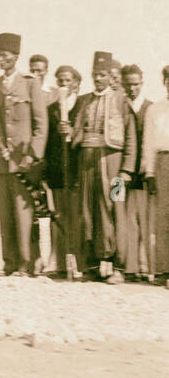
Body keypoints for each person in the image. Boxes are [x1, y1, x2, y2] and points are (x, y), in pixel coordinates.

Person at [0, 32, 48, 276]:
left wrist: (33, 154)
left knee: (24, 212)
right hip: (1, 158)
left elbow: (41, 123)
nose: (2, 60)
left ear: (16, 57)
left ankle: (26, 263)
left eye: (6, 56)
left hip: (23, 159)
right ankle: (9, 262)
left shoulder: (30, 84)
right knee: (5, 212)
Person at [69, 54, 135, 283]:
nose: (98, 79)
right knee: (88, 211)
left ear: (110, 76)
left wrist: (126, 169)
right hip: (87, 164)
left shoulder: (120, 100)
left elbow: (131, 137)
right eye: (95, 75)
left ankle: (119, 267)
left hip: (114, 166)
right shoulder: (85, 100)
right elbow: (76, 132)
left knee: (116, 211)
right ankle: (92, 265)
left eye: (102, 75)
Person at [45, 66, 81, 276]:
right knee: (58, 216)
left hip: (77, 169)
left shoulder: (84, 104)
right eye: (60, 81)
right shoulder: (52, 110)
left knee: (75, 216)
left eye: (67, 80)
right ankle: (58, 263)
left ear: (76, 82)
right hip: (58, 170)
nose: (64, 84)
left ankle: (77, 262)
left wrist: (73, 131)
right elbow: (49, 142)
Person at [118, 64, 151, 277]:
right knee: (120, 217)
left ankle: (146, 266)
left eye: (136, 84)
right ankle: (124, 267)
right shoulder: (116, 106)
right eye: (128, 84)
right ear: (122, 84)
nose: (132, 89)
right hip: (117, 175)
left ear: (142, 83)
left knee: (144, 221)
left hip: (142, 177)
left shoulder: (151, 107)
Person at [141, 66, 169, 283]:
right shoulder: (155, 110)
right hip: (163, 162)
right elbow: (148, 142)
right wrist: (149, 171)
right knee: (163, 217)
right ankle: (163, 270)